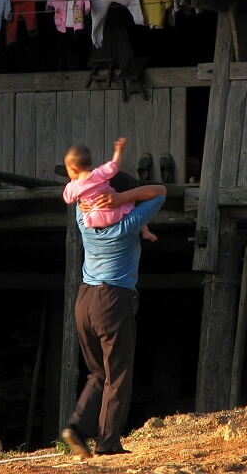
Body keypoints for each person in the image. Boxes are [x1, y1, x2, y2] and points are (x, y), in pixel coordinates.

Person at [62, 181, 167, 458]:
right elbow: (160, 191)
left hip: (84, 299)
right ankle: (107, 442)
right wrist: (122, 196)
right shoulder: (127, 224)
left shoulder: (83, 218)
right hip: (113, 300)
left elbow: (76, 188)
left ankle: (76, 427)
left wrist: (87, 198)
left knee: (98, 372)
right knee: (118, 375)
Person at [62, 138, 157, 242]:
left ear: (73, 170)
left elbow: (68, 199)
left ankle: (103, 240)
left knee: (83, 214)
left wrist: (72, 182)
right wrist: (118, 151)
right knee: (132, 206)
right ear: (89, 165)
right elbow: (114, 166)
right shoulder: (98, 174)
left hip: (93, 218)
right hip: (113, 212)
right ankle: (145, 232)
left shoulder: (73, 187)